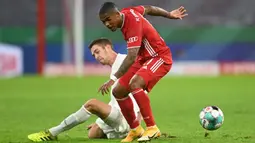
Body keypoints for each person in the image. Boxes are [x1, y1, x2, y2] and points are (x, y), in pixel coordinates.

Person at [98, 2, 188, 142]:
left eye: (108, 20)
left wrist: (113, 77)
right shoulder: (128, 11)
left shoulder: (132, 23)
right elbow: (149, 9)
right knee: (118, 91)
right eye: (103, 22)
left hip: (159, 57)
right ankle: (135, 129)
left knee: (135, 84)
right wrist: (169, 14)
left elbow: (131, 57)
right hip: (143, 58)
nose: (107, 24)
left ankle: (152, 128)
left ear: (117, 14)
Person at [27, 38, 142, 142]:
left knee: (91, 104)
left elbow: (141, 89)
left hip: (128, 117)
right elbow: (119, 98)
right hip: (120, 113)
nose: (96, 57)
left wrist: (138, 121)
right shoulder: (115, 67)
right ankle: (126, 132)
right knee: (93, 133)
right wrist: (104, 117)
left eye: (97, 52)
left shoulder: (125, 62)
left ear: (107, 47)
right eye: (93, 55)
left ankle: (52, 133)